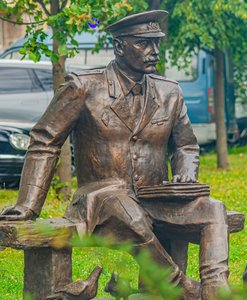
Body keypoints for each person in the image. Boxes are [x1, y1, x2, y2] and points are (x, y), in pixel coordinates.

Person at [0, 10, 229, 299]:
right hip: (100, 198)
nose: (154, 51)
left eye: (157, 43)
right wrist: (28, 205)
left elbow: (185, 145)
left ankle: (216, 290)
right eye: (144, 44)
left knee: (214, 209)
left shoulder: (170, 92)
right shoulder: (83, 88)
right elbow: (45, 141)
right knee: (129, 213)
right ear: (119, 46)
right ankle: (181, 288)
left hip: (157, 197)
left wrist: (185, 174)